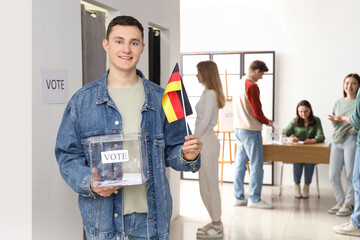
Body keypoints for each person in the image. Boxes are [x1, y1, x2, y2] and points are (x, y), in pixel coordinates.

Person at [55, 15, 202, 240]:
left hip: (151, 221)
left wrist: (186, 155)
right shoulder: (81, 102)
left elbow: (173, 151)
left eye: (134, 42)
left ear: (142, 47)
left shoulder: (162, 98)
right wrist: (90, 182)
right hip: (103, 222)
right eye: (119, 41)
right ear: (106, 44)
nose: (126, 49)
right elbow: (67, 155)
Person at [232, 60, 274, 209]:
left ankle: (238, 197)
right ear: (256, 70)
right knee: (256, 165)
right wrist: (267, 122)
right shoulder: (252, 86)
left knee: (240, 164)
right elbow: (257, 112)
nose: (261, 77)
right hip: (251, 130)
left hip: (238, 129)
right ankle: (255, 199)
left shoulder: (238, 83)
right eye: (261, 74)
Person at [194, 61, 225, 239]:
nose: (197, 75)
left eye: (199, 72)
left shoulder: (211, 93)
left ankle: (217, 224)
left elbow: (204, 122)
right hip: (203, 141)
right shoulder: (207, 92)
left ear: (206, 73)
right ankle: (214, 220)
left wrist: (192, 139)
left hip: (206, 141)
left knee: (210, 185)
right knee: (204, 185)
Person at [328, 74, 360, 216]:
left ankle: (349, 203)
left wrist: (352, 131)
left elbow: (357, 122)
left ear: (358, 86)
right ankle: (341, 201)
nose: (349, 86)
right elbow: (336, 122)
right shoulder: (339, 102)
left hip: (350, 141)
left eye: (353, 83)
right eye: (347, 83)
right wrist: (334, 121)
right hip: (336, 141)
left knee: (350, 174)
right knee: (333, 174)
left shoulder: (357, 102)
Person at [284, 100, 325, 199]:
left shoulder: (316, 120)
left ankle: (307, 186)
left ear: (310, 110)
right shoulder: (294, 121)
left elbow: (321, 137)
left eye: (306, 111)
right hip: (297, 150)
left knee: (309, 163)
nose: (303, 114)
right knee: (297, 162)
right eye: (300, 111)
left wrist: (312, 141)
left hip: (311, 150)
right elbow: (283, 134)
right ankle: (297, 186)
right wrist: (289, 139)